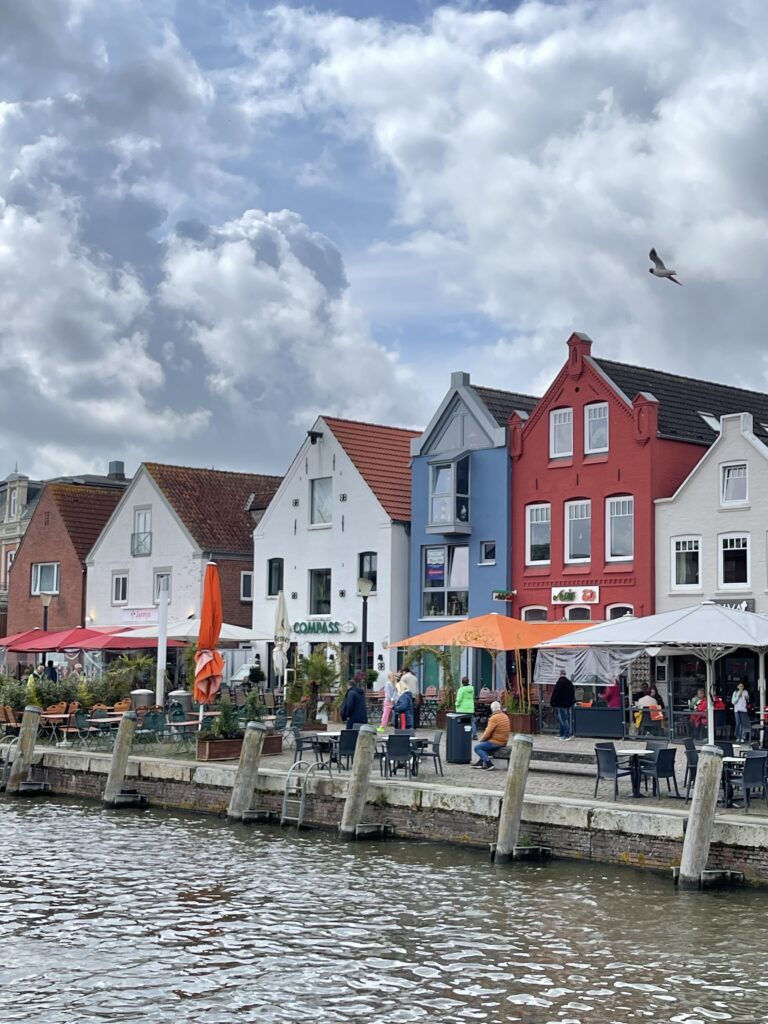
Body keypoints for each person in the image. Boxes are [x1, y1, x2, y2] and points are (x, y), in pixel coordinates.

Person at [472, 700, 510, 770]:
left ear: (492, 709)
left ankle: (489, 764)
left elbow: (488, 732)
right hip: (504, 741)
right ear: (499, 708)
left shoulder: (494, 718)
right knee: (484, 746)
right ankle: (480, 763)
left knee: (477, 748)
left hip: (496, 742)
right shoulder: (505, 716)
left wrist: (482, 739)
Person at [550, 670, 576, 741]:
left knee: (563, 719)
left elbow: (556, 693)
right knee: (563, 719)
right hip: (567, 704)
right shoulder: (569, 683)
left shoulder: (560, 682)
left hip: (561, 704)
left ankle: (566, 735)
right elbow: (572, 694)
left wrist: (552, 702)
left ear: (560, 674)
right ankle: (562, 734)